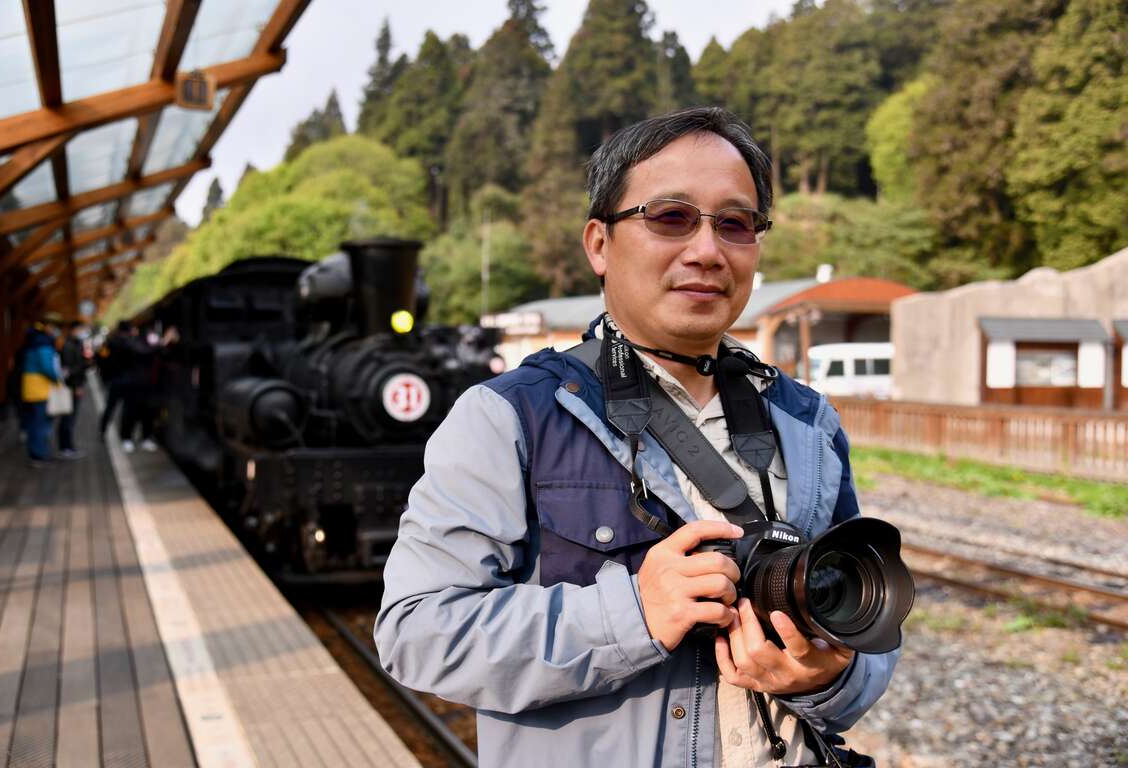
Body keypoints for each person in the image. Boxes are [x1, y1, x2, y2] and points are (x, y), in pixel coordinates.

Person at [374, 107, 898, 767]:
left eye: (735, 223)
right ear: (599, 243)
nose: (706, 251)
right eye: (670, 217)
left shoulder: (807, 420)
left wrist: (830, 677)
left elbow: (871, 630)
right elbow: (417, 634)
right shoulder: (510, 416)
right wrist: (634, 615)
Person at [19, 321, 62, 466]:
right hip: (40, 389)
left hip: (30, 387)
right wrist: (57, 379)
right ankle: (39, 454)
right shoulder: (43, 344)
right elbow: (47, 367)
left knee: (33, 422)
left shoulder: (31, 343)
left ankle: (36, 452)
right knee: (40, 423)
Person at [56, 322, 90, 459]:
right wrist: (77, 386)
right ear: (74, 330)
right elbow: (71, 369)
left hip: (73, 386)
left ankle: (67, 446)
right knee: (68, 418)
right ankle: (66, 447)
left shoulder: (75, 344)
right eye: (82, 329)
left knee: (69, 418)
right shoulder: (69, 346)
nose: (83, 332)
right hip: (71, 387)